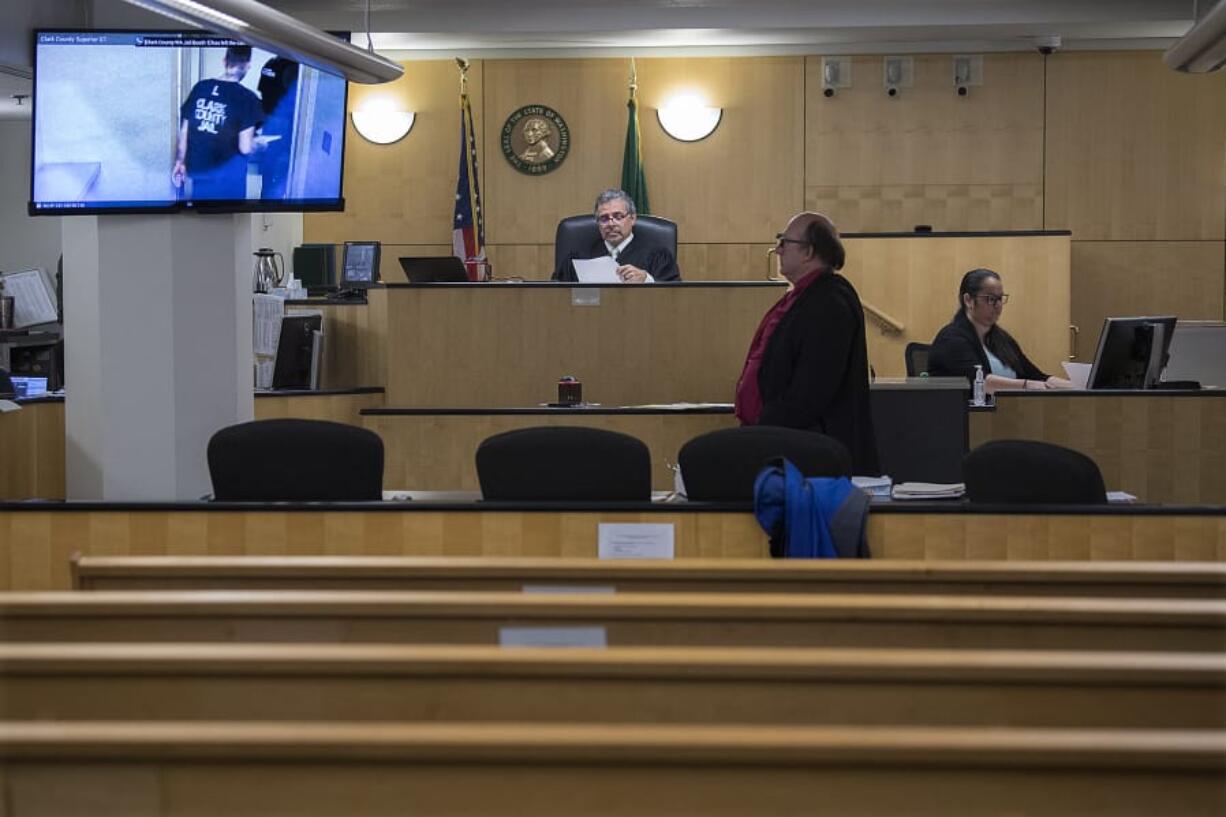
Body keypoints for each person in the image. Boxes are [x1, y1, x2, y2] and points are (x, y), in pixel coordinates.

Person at [734, 212, 880, 475]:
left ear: (808, 252)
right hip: (789, 444)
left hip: (812, 457)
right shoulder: (806, 296)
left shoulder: (829, 302)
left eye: (784, 241)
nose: (777, 249)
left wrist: (764, 426)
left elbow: (811, 391)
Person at [927, 268, 1074, 394]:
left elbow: (1036, 376)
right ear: (968, 300)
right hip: (967, 419)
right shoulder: (951, 339)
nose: (998, 305)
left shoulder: (1001, 338)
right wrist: (1026, 385)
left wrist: (1080, 387)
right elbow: (981, 383)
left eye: (1000, 298)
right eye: (990, 299)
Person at [172, 46, 264, 201]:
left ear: (224, 61)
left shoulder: (201, 87)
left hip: (200, 175)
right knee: (228, 224)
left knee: (200, 221)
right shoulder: (247, 98)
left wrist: (180, 162)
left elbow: (185, 131)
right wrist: (259, 144)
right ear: (248, 65)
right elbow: (245, 147)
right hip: (229, 181)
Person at [552, 189, 681, 283]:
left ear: (632, 218)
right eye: (604, 218)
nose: (611, 224)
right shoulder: (578, 256)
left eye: (618, 217)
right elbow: (555, 294)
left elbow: (675, 293)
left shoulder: (658, 255)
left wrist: (647, 280)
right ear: (597, 223)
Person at [256, 55, 299, 200]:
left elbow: (263, 92)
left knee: (272, 167)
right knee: (280, 167)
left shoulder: (272, 63)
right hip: (283, 122)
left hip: (272, 120)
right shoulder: (295, 66)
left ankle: (268, 201)